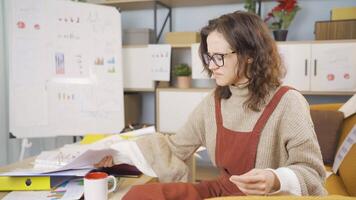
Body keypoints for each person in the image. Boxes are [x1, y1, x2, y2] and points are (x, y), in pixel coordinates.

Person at [96, 11, 327, 199]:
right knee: (138, 195)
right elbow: (175, 147)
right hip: (222, 191)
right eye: (209, 56)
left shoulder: (288, 103)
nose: (212, 65)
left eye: (220, 56)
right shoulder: (214, 102)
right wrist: (118, 155)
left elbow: (313, 173)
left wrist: (275, 178)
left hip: (270, 198)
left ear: (250, 54)